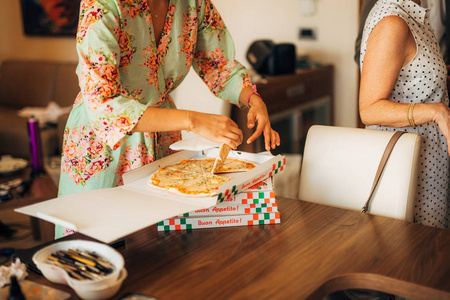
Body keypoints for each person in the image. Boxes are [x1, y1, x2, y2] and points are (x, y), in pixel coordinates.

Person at [56, 0, 280, 238]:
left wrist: (252, 99)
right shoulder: (102, 4)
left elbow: (219, 66)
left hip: (162, 139)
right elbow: (103, 103)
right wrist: (193, 120)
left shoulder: (194, 4)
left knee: (158, 249)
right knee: (91, 246)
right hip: (104, 146)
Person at [359, 0, 450, 229]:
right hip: (409, 169)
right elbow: (369, 109)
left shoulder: (415, 14)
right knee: (418, 255)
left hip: (430, 162)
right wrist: (435, 111)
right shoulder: (393, 23)